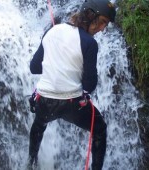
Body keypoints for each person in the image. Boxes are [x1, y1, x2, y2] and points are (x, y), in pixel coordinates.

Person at [28, 0, 116, 169]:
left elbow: (34, 67)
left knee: (39, 124)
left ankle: (30, 163)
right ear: (91, 15)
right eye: (103, 21)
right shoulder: (90, 43)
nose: (103, 28)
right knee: (99, 129)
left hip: (44, 101)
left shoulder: (52, 31)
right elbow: (89, 85)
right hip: (72, 105)